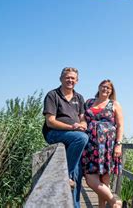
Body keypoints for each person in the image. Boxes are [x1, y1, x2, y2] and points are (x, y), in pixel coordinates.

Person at [42, 67, 88, 208]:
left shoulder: (79, 97)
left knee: (77, 172)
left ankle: (75, 205)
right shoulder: (52, 95)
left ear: (77, 81)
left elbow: (83, 119)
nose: (70, 80)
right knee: (82, 138)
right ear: (61, 79)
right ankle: (64, 175)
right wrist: (72, 127)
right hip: (54, 133)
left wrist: (83, 125)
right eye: (67, 77)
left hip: (73, 135)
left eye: (73, 78)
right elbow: (50, 121)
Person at [82, 79, 124, 208]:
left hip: (107, 145)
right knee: (90, 177)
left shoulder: (114, 104)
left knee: (105, 177)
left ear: (111, 91)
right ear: (99, 87)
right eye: (103, 86)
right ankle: (114, 202)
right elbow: (82, 118)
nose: (105, 89)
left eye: (108, 88)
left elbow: (120, 126)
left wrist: (118, 144)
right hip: (90, 144)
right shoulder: (88, 102)